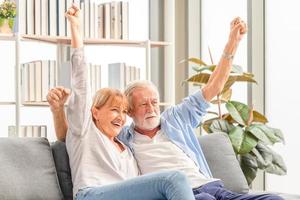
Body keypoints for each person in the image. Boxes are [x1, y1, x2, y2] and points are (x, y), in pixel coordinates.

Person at [48, 6, 283, 200]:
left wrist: (233, 41)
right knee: (179, 181)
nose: (151, 108)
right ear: (95, 112)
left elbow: (213, 89)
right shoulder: (97, 133)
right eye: (142, 105)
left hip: (206, 188)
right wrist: (76, 30)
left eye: (155, 103)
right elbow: (72, 121)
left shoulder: (134, 143)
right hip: (96, 194)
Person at [60, 4, 197, 200]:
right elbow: (81, 84)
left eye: (125, 112)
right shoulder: (85, 131)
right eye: (115, 110)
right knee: (173, 179)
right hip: (91, 195)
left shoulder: (127, 148)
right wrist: (76, 29)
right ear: (95, 112)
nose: (121, 117)